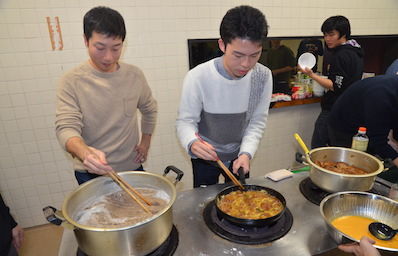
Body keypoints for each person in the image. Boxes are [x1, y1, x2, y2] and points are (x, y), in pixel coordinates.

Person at [55, 6, 157, 185]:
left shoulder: (134, 75)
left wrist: (145, 141)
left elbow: (149, 109)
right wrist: (85, 153)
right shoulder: (72, 81)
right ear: (86, 41)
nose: (108, 57)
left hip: (131, 166)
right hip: (90, 172)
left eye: (116, 48)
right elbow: (66, 128)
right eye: (100, 47)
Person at [176, 5, 272, 188]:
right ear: (222, 45)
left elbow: (257, 122)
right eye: (238, 55)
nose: (246, 64)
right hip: (205, 155)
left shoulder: (262, 76)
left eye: (254, 55)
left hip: (240, 155)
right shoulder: (198, 76)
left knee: (240, 202)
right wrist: (192, 142)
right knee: (204, 204)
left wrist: (246, 153)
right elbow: (185, 122)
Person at [300, 15, 364, 148]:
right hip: (349, 108)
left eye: (331, 34)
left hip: (334, 108)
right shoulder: (356, 51)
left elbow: (336, 86)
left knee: (318, 146)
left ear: (343, 34)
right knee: (337, 147)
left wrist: (312, 75)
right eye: (325, 35)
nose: (327, 39)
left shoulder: (342, 54)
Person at [328, 74, 398, 183]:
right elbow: (378, 141)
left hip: (365, 123)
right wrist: (395, 157)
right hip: (344, 127)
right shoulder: (382, 96)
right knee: (349, 170)